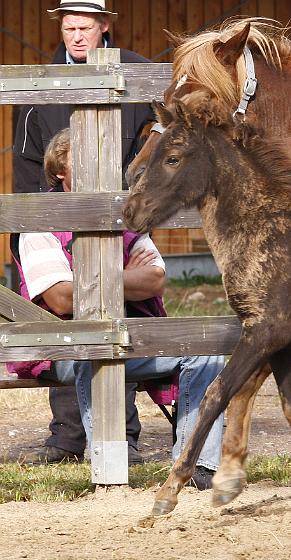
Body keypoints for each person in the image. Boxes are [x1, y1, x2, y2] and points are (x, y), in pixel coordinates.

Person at [10, 128, 225, 489]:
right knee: (92, 347)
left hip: (131, 335)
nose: (98, 168)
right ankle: (110, 467)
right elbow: (61, 298)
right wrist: (125, 275)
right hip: (61, 347)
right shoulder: (42, 222)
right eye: (84, 160)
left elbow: (155, 280)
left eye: (102, 160)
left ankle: (196, 466)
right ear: (59, 170)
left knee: (204, 354)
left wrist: (90, 277)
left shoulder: (125, 214)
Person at [12, 0, 154, 466]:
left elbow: (163, 129)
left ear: (104, 25)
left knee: (123, 317)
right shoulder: (41, 86)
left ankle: (122, 434)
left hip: (121, 215)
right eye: (70, 27)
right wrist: (37, 222)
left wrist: (137, 201)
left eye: (85, 27)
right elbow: (27, 165)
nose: (77, 36)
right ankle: (70, 436)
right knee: (63, 321)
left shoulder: (135, 71)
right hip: (58, 218)